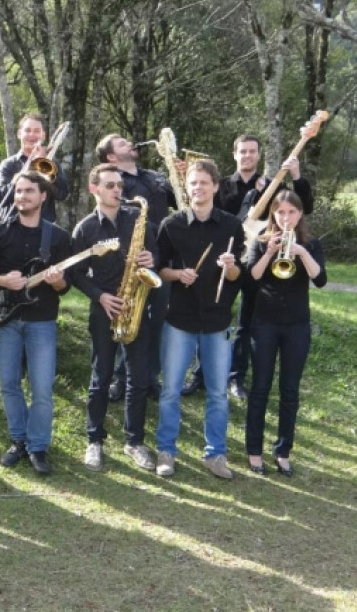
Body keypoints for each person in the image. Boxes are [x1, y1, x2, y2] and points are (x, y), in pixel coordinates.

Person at [185, 135, 314, 400]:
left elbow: (304, 207)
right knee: (210, 318)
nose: (247, 156)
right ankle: (201, 374)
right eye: (242, 151)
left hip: (258, 263)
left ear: (258, 155)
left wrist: (297, 176)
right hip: (224, 261)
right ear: (234, 154)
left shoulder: (273, 186)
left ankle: (236, 378)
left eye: (252, 151)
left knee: (246, 323)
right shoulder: (221, 186)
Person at [0, 170, 72, 475]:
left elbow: (65, 287)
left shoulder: (56, 237)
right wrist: (3, 280)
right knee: (8, 384)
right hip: (6, 318)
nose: (22, 196)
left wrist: (56, 282)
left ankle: (38, 446)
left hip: (42, 320)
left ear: (43, 196)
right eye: (18, 191)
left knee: (42, 388)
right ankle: (19, 440)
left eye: (29, 191)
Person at [154, 159, 244, 479]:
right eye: (193, 182)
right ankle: (166, 451)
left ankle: (215, 455)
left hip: (218, 321)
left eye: (204, 182)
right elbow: (158, 269)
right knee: (171, 390)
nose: (198, 188)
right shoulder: (172, 225)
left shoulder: (232, 227)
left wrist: (230, 265)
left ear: (216, 187)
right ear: (186, 186)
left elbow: (238, 276)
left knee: (218, 393)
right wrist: (178, 274)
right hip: (179, 319)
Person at [70, 164, 159, 473]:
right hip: (105, 305)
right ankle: (94, 440)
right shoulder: (85, 229)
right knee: (101, 375)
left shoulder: (137, 219)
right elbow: (75, 274)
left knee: (138, 379)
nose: (117, 190)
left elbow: (156, 255)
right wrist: (100, 296)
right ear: (94, 189)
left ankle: (134, 441)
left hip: (136, 304)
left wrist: (152, 259)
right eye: (110, 185)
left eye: (119, 184)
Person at [243, 191, 326, 477]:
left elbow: (321, 280)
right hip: (264, 323)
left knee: (289, 392)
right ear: (273, 214)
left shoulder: (311, 244)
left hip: (297, 325)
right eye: (280, 212)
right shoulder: (261, 241)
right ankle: (254, 451)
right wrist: (268, 253)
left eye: (291, 212)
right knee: (260, 389)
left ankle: (283, 451)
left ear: (300, 214)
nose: (286, 217)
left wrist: (301, 253)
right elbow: (252, 278)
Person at [94, 134, 177, 401]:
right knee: (132, 315)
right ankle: (122, 377)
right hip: (129, 261)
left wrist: (179, 173)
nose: (129, 143)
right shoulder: (115, 183)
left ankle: (150, 376)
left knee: (158, 319)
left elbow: (180, 199)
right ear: (111, 157)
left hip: (160, 257)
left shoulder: (154, 176)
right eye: (120, 143)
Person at [0, 113, 70, 223]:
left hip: (44, 227)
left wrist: (44, 167)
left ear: (43, 135)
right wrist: (19, 178)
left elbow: (62, 194)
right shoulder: (8, 164)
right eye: (27, 130)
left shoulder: (52, 163)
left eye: (37, 131)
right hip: (13, 226)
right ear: (19, 134)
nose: (32, 135)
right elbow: (1, 198)